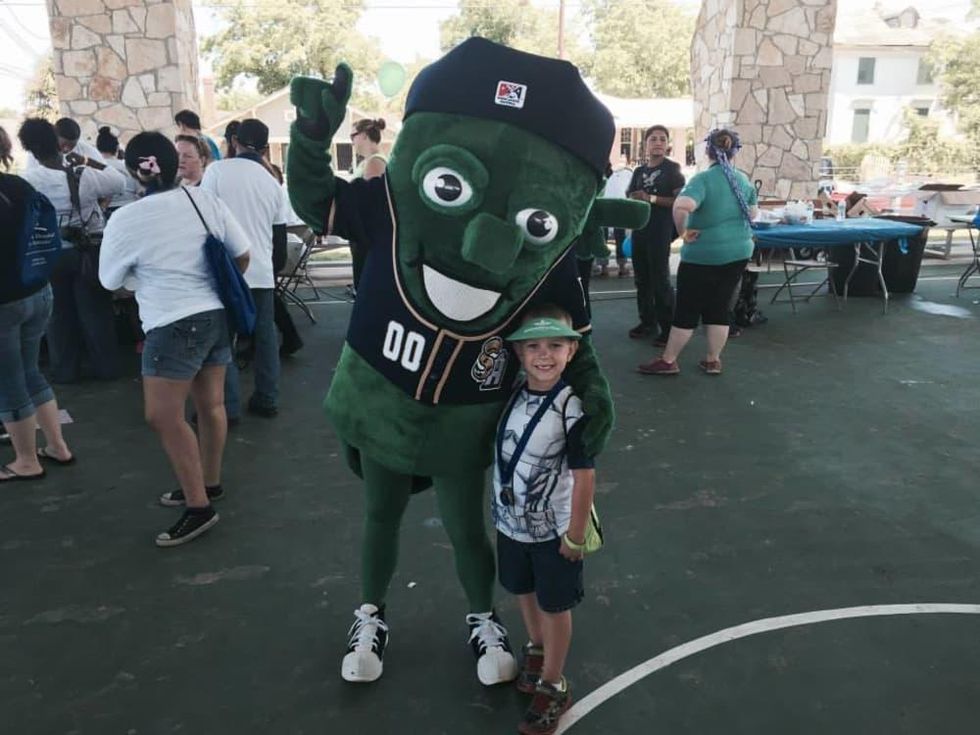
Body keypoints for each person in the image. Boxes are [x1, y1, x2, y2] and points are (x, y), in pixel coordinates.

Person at [99, 132, 251, 546]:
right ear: (175, 164)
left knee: (163, 416)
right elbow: (243, 254)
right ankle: (209, 483)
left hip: (171, 322)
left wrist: (144, 274)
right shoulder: (203, 200)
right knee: (212, 405)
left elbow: (110, 280)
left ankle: (199, 507)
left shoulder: (127, 218)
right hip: (217, 315)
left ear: (134, 172)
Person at [493, 306, 596, 735]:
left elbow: (585, 475)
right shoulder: (514, 394)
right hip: (510, 524)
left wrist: (574, 535)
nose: (544, 355)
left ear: (572, 350)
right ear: (519, 353)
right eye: (533, 346)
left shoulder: (571, 407)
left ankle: (554, 682)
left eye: (555, 345)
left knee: (555, 604)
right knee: (523, 589)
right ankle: (536, 651)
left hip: (554, 530)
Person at [638, 128, 758, 376]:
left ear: (707, 150)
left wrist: (683, 232)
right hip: (738, 252)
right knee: (719, 307)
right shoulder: (743, 180)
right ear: (735, 152)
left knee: (687, 309)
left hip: (703, 255)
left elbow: (682, 206)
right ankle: (713, 360)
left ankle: (669, 360)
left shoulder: (702, 180)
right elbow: (753, 213)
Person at [18, 118, 125, 384]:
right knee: (96, 313)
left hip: (51, 255)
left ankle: (65, 371)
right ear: (58, 142)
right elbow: (118, 182)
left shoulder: (27, 181)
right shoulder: (82, 174)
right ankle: (106, 368)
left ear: (30, 149)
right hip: (88, 251)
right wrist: (88, 161)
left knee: (58, 316)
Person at [0, 126, 75, 482]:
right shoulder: (21, 187)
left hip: (4, 302)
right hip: (38, 292)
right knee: (31, 372)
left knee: (10, 381)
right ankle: (57, 445)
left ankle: (26, 460)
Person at [200, 118, 288, 419]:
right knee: (265, 339)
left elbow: (206, 221)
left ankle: (228, 406)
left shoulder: (216, 171)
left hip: (226, 271)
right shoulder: (272, 181)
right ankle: (268, 398)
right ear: (265, 147)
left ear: (234, 140)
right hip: (262, 272)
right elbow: (279, 240)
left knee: (223, 340)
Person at [627, 126, 686, 347]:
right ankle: (647, 322)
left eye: (662, 139)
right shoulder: (638, 172)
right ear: (646, 144)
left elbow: (679, 201)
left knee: (660, 278)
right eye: (653, 139)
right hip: (639, 230)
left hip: (660, 230)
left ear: (667, 144)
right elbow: (631, 196)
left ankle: (668, 327)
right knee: (641, 278)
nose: (658, 142)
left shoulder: (673, 169)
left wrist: (650, 198)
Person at [349, 117, 388, 290]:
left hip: (367, 235)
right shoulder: (368, 162)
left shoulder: (375, 162)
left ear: (364, 135)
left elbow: (370, 202)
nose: (352, 142)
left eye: (353, 136)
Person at [26, 117, 105, 169]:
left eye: (72, 146)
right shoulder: (39, 153)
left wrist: (85, 161)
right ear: (54, 137)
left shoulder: (89, 151)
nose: (67, 149)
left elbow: (107, 172)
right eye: (64, 145)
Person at [96, 126, 139, 212]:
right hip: (130, 207)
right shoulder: (128, 165)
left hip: (105, 211)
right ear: (117, 148)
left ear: (98, 148)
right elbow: (138, 190)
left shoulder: (95, 167)